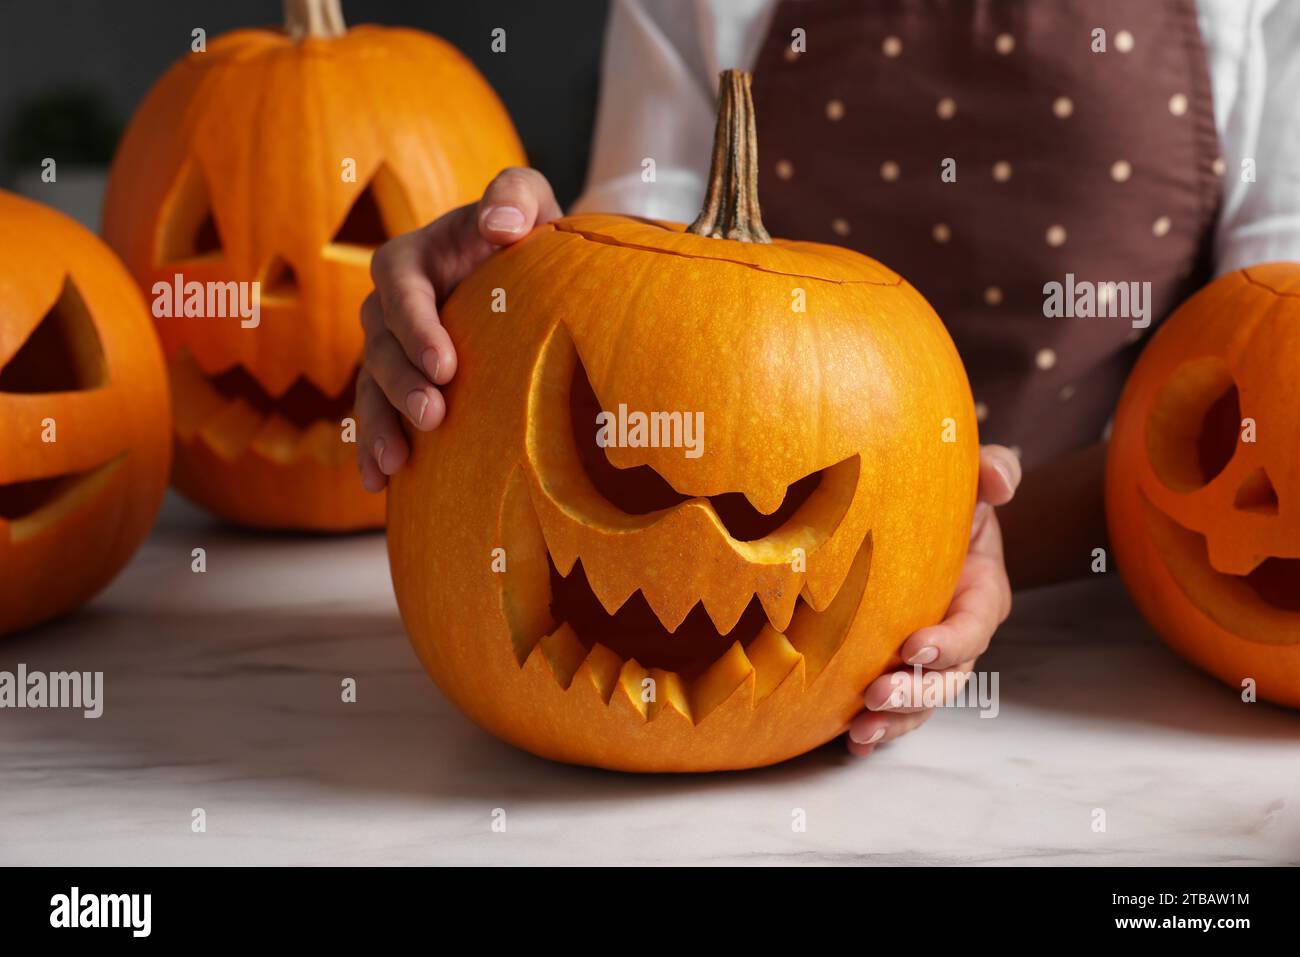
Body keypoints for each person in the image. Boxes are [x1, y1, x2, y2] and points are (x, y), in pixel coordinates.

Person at [354, 0, 1300, 757]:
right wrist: (498, 297)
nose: (699, 532)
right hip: (884, 640)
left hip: (1121, 659)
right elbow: (627, 308)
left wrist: (953, 532)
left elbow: (1267, 352)